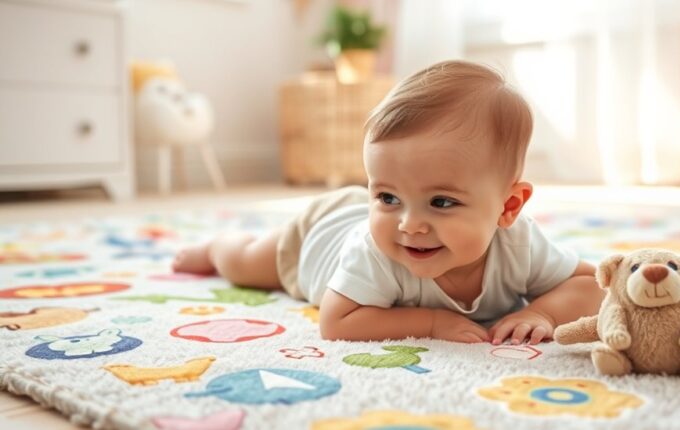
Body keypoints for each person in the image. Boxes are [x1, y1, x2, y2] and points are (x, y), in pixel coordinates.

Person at [172, 60, 604, 345]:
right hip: (315, 238)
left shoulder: (519, 244)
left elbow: (590, 285)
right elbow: (337, 321)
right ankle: (216, 246)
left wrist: (544, 313)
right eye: (388, 197)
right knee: (248, 263)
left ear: (508, 207)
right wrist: (430, 324)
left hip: (348, 217)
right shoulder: (375, 251)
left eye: (441, 202)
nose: (409, 224)